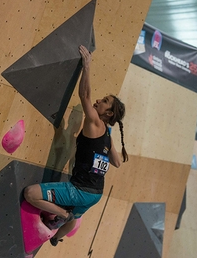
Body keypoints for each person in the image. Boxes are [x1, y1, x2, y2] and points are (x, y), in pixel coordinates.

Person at [24, 45, 128, 246]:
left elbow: (85, 97)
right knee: (76, 216)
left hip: (80, 190)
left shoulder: (96, 124)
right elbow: (117, 162)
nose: (99, 100)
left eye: (105, 101)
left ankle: (64, 213)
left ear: (108, 114)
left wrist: (86, 66)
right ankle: (56, 236)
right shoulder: (106, 132)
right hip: (95, 194)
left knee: (31, 194)